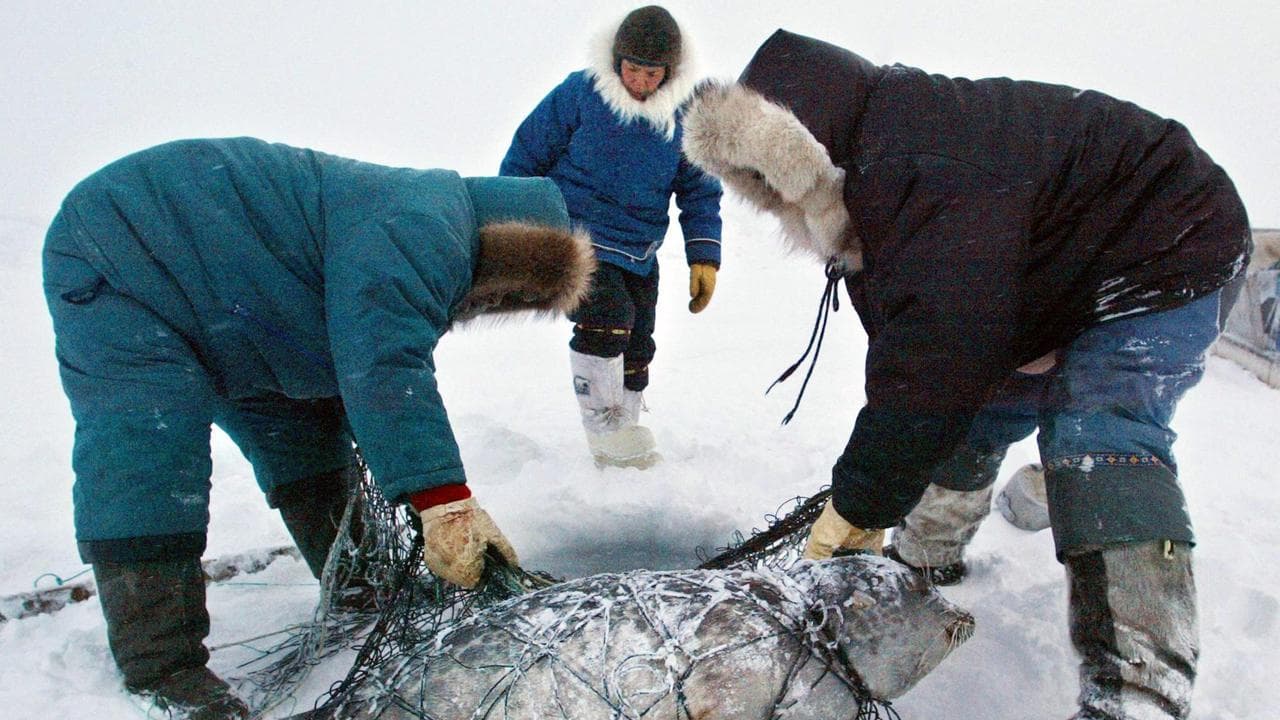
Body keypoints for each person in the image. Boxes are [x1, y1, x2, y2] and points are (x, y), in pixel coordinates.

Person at [682, 30, 1251, 720]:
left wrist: (861, 506)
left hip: (1170, 241)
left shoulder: (921, 166)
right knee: (977, 412)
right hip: (1053, 278)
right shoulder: (878, 182)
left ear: (803, 150)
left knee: (1095, 425)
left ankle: (1139, 690)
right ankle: (928, 560)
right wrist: (878, 495)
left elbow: (934, 355)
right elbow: (915, 361)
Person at [42, 137, 595, 718]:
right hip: (123, 258)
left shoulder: (421, 219)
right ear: (517, 252)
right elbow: (382, 361)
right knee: (146, 452)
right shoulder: (429, 223)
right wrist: (443, 499)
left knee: (303, 436)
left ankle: (360, 587)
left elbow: (357, 364)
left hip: (241, 306)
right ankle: (162, 666)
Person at [499, 5, 723, 468]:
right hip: (574, 240)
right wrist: (513, 236)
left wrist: (705, 255)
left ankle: (627, 433)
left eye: (652, 72)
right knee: (608, 318)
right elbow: (523, 159)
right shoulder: (579, 94)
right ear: (617, 61)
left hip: (639, 250)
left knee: (639, 341)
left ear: (670, 72)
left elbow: (700, 189)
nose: (640, 81)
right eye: (632, 69)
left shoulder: (684, 116)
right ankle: (603, 432)